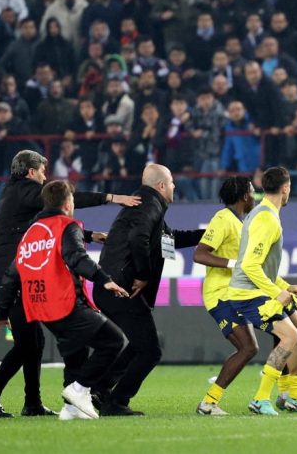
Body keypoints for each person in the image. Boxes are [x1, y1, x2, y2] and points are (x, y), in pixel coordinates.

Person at [0, 150, 140, 418]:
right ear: (30, 172)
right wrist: (110, 198)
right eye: (42, 172)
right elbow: (61, 202)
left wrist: (87, 235)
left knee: (33, 343)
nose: (44, 178)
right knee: (29, 344)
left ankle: (30, 402)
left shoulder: (18, 196)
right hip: (15, 279)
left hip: (15, 278)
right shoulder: (24, 190)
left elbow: (49, 227)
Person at [93, 164, 205, 415]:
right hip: (121, 288)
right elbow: (138, 239)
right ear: (162, 186)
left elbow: (169, 239)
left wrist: (208, 235)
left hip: (112, 287)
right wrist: (143, 275)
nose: (175, 186)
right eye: (172, 182)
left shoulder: (147, 205)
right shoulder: (149, 205)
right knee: (150, 350)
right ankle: (116, 402)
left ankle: (101, 388)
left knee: (139, 345)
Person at [223, 166, 297, 416]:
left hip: (258, 288)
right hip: (247, 293)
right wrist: (276, 292)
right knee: (290, 337)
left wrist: (285, 286)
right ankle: (260, 398)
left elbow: (263, 266)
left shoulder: (264, 213)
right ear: (285, 188)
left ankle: (296, 396)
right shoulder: (266, 219)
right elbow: (249, 265)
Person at [192, 176, 259, 416]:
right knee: (248, 347)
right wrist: (234, 264)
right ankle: (208, 403)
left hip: (236, 294)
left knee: (252, 347)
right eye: (253, 191)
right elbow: (199, 254)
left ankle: (286, 391)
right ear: (245, 196)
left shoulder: (239, 223)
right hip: (220, 295)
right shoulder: (222, 219)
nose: (255, 196)